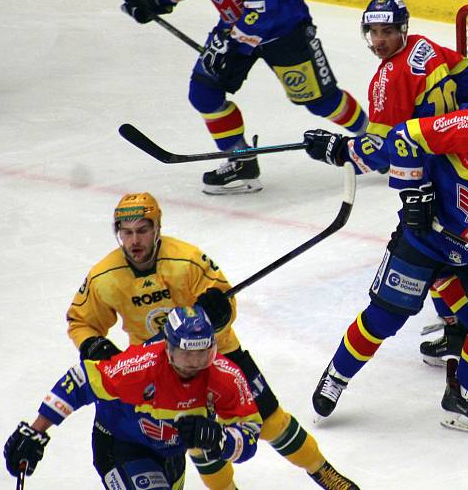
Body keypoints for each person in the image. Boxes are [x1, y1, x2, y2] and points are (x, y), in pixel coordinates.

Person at [307, 81, 468, 436]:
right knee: (384, 319)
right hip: (427, 238)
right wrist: (415, 193)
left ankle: (464, 398)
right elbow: (404, 138)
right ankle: (337, 375)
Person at [65, 192, 357, 490]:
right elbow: (81, 321)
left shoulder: (187, 260)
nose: (134, 241)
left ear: (157, 229)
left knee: (269, 421)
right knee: (199, 439)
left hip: (220, 355)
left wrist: (219, 310)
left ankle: (322, 471)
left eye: (142, 230)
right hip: (164, 366)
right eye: (126, 233)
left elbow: (223, 298)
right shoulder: (104, 275)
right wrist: (91, 344)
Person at [303, 0, 468, 377]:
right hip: (461, 156)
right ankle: (460, 331)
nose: (379, 40)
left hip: (428, 175)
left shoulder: (388, 79)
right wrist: (448, 119)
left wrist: (338, 150)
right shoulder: (426, 46)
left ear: (401, 29)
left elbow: (381, 154)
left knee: (430, 251)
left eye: (387, 31)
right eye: (373, 31)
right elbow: (467, 73)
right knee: (439, 260)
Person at [120, 0, 367, 195]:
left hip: (282, 27)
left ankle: (373, 138)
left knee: (320, 100)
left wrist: (232, 41)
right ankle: (241, 161)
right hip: (239, 26)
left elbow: (263, 8)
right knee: (204, 92)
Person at [3, 305, 262, 488]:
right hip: (119, 445)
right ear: (168, 349)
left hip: (170, 453)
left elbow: (249, 436)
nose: (194, 362)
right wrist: (36, 431)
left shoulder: (225, 376)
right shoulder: (139, 366)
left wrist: (220, 439)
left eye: (202, 353)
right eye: (186, 353)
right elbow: (81, 380)